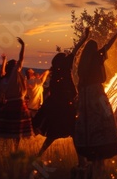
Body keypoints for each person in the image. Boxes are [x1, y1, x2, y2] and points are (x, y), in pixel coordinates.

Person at [73, 23, 117, 168]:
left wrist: (85, 38)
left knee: (90, 121)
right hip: (97, 92)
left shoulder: (82, 65)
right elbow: (109, 44)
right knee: (107, 116)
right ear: (95, 49)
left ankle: (92, 154)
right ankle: (103, 151)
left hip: (86, 95)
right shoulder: (97, 56)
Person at [33, 28, 89, 156]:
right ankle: (81, 161)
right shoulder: (65, 69)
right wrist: (85, 38)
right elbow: (76, 51)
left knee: (54, 134)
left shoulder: (55, 75)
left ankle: (39, 155)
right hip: (66, 108)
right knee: (72, 132)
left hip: (59, 108)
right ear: (63, 61)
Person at [0, 37, 33, 150]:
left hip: (9, 104)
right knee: (18, 127)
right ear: (14, 66)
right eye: (16, 64)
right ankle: (15, 147)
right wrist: (23, 45)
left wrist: (4, 61)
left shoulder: (4, 79)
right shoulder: (15, 73)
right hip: (18, 103)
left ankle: (9, 147)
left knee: (9, 126)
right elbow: (21, 59)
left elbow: (1, 72)